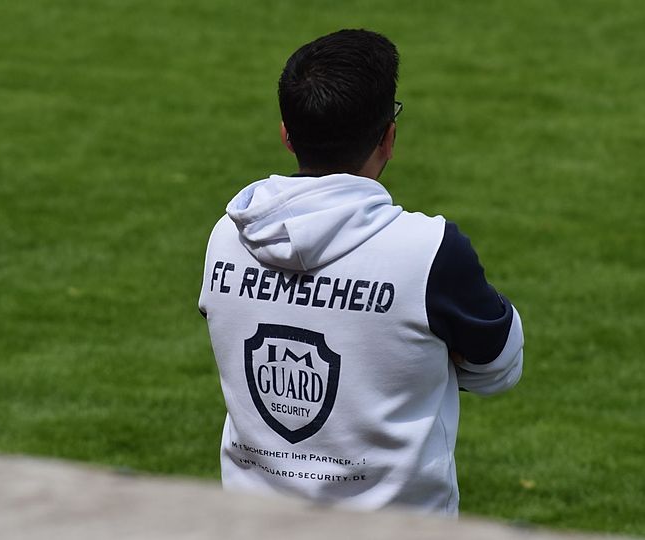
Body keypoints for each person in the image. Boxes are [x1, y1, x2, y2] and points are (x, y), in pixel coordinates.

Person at [198, 29, 524, 516]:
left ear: (286, 134)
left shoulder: (228, 235)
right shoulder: (428, 251)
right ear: (388, 138)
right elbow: (500, 369)